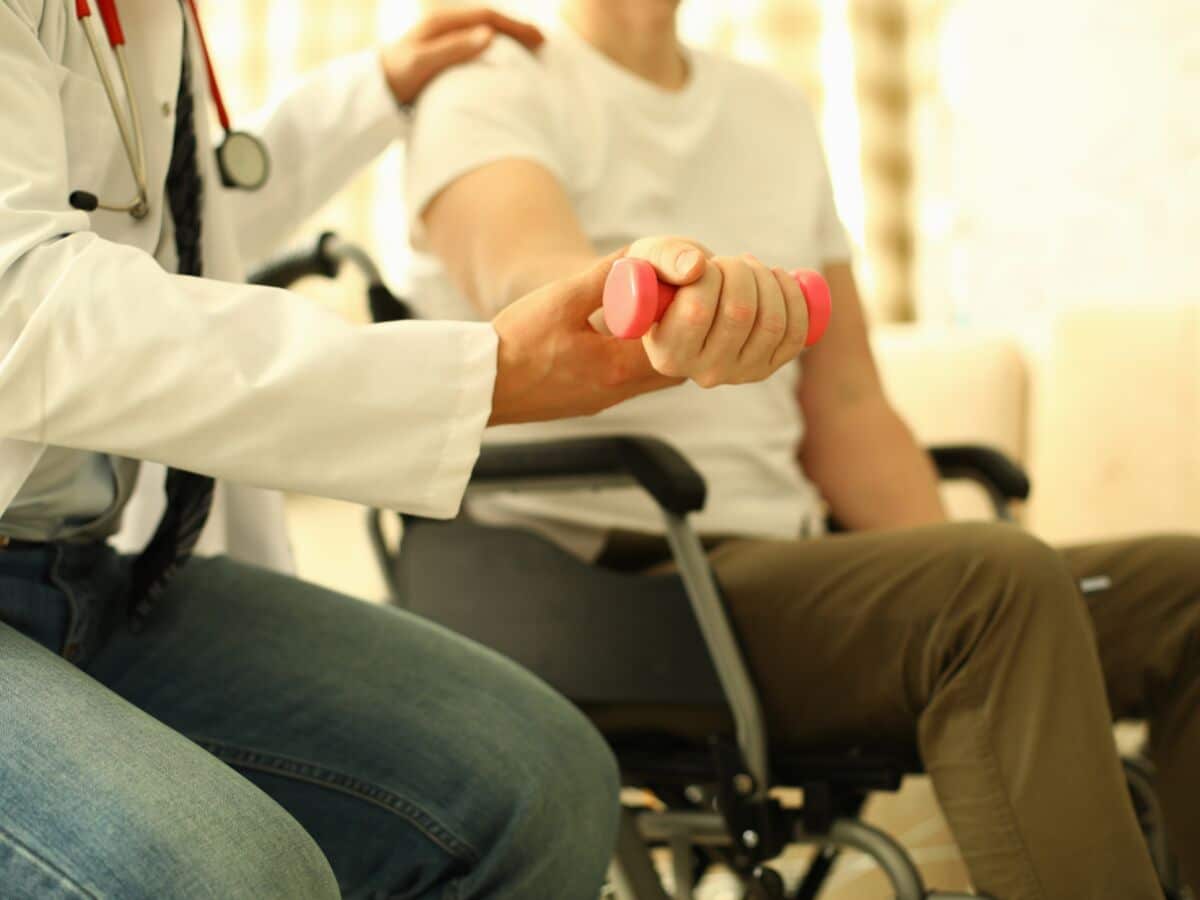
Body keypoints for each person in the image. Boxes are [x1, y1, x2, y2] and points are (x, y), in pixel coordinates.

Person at [0, 3, 813, 898]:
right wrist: (485, 374)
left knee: (543, 785)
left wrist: (371, 91)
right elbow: (25, 306)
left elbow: (158, 217)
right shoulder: (499, 97)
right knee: (235, 877)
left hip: (79, 568)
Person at [403, 1, 1200, 897]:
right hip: (599, 584)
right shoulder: (489, 83)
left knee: (1179, 594)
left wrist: (969, 577)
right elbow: (527, 279)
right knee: (993, 589)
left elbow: (849, 406)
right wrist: (652, 287)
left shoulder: (772, 108)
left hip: (776, 574)